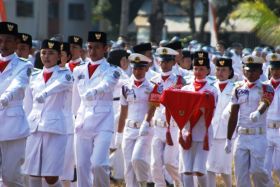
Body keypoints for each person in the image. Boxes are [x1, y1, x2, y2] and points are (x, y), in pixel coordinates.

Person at [73, 31, 121, 187]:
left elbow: (107, 84)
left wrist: (94, 91)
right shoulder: (78, 70)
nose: (92, 51)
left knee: (98, 164)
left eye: (97, 48)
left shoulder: (113, 70)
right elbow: (75, 98)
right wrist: (74, 117)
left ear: (105, 48)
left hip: (103, 121)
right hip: (82, 120)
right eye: (90, 47)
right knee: (81, 166)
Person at [22, 39, 73, 187]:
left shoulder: (65, 74)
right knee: (32, 172)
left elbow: (60, 84)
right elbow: (28, 105)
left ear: (59, 56)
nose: (46, 56)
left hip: (55, 129)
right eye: (44, 52)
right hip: (35, 128)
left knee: (50, 176)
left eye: (51, 53)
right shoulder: (34, 76)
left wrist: (45, 92)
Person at [225, 55, 274, 187]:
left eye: (253, 71)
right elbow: (233, 114)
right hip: (241, 136)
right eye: (248, 70)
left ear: (260, 72)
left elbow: (266, 102)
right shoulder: (238, 88)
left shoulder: (266, 87)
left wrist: (258, 112)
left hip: (258, 136)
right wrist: (229, 139)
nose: (250, 73)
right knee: (240, 174)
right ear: (243, 71)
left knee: (258, 171)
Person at [0, 21, 33, 187]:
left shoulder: (24, 64)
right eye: (0, 40)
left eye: (8, 40)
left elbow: (18, 83)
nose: (3, 44)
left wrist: (5, 97)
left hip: (13, 127)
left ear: (15, 43)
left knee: (10, 177)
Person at [115, 53, 155, 187]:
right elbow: (123, 111)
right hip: (129, 129)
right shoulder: (126, 86)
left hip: (145, 129)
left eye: (141, 69)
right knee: (128, 167)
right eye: (135, 68)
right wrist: (119, 134)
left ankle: (144, 183)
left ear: (146, 69)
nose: (137, 71)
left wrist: (146, 123)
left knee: (137, 159)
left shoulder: (151, 87)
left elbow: (152, 107)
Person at [179, 51, 218, 187]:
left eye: (202, 69)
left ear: (208, 70)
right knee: (187, 170)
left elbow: (210, 110)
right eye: (196, 68)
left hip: (203, 133)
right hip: (187, 132)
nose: (198, 71)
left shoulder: (212, 90)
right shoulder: (186, 88)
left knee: (199, 170)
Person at [150, 47, 184, 187]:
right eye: (161, 61)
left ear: (172, 62)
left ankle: (179, 183)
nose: (164, 64)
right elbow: (153, 103)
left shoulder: (179, 80)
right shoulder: (154, 80)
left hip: (172, 127)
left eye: (167, 61)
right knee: (155, 164)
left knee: (169, 162)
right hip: (157, 126)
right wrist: (147, 122)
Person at [206, 58, 235, 187]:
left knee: (225, 169)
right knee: (209, 167)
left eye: (224, 70)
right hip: (211, 131)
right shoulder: (210, 87)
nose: (220, 72)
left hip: (226, 133)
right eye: (218, 69)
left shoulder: (235, 88)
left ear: (230, 72)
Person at [107, 49, 130, 181]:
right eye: (124, 59)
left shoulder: (112, 71)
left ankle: (113, 172)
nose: (126, 62)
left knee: (115, 142)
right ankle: (111, 171)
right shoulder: (117, 73)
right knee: (114, 142)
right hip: (115, 106)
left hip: (116, 106)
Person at [59, 42, 76, 187]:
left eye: (61, 54)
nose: (58, 57)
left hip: (66, 124)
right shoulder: (40, 75)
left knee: (65, 168)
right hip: (46, 125)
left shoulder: (70, 76)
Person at [264, 53, 280, 186]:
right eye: (273, 69)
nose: (276, 72)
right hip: (266, 129)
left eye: (278, 69)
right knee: (264, 168)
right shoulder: (263, 87)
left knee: (279, 168)